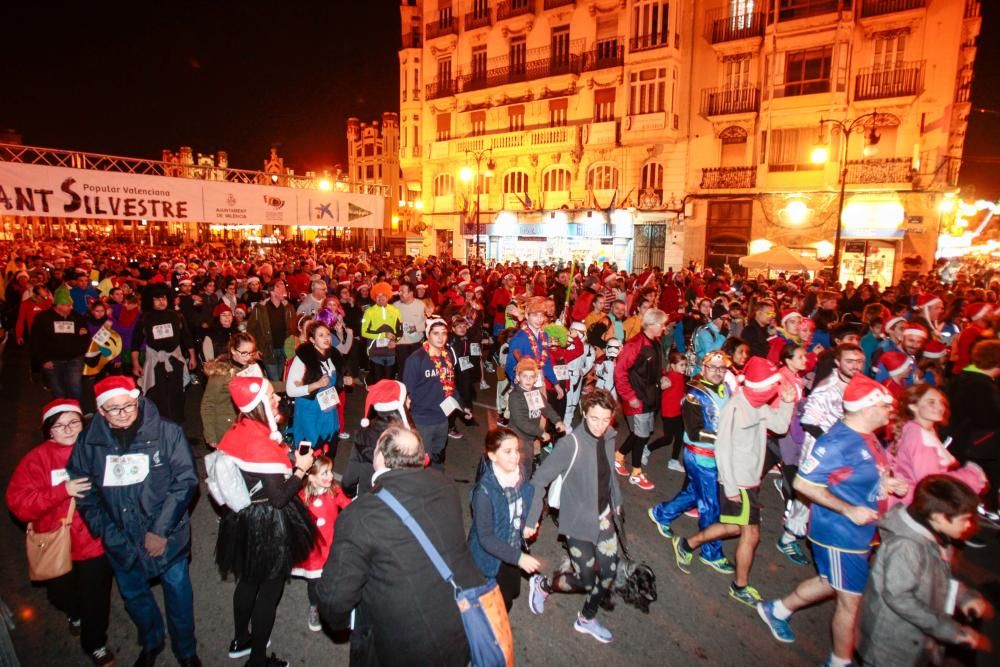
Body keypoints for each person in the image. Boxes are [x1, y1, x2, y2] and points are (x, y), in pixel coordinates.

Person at [756, 374, 908, 667]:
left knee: (830, 583)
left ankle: (777, 610)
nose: (890, 412)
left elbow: (859, 475)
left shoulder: (868, 436)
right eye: (885, 406)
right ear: (867, 408)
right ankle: (840, 661)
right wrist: (847, 510)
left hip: (861, 532)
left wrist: (887, 485)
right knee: (850, 602)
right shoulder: (837, 442)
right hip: (840, 533)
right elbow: (803, 483)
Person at [315, 425, 484, 666]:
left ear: (380, 457)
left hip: (399, 648)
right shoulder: (444, 485)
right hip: (460, 626)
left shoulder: (361, 514)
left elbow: (334, 602)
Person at [67, 376, 201, 667]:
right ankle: (152, 640)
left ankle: (186, 649)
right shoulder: (89, 443)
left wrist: (160, 530)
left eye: (129, 405)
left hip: (166, 537)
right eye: (114, 409)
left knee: (178, 593)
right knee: (135, 596)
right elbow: (85, 495)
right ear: (101, 411)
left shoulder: (167, 432)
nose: (124, 412)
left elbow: (185, 481)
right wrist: (111, 536)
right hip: (120, 539)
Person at [671, 357, 796, 607]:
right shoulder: (736, 408)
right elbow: (722, 449)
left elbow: (781, 426)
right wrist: (730, 487)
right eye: (773, 386)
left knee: (735, 529)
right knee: (751, 534)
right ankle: (740, 586)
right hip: (738, 481)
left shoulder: (757, 404)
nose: (776, 389)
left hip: (750, 479)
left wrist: (787, 402)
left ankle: (687, 543)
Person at [214, 375, 316, 667]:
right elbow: (280, 498)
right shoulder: (261, 447)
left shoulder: (242, 426)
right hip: (265, 523)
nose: (277, 399)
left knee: (247, 581)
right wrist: (301, 469)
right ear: (257, 403)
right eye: (270, 396)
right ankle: (258, 659)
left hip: (242, 518)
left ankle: (240, 640)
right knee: (269, 591)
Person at [6, 399, 115, 666]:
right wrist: (61, 492)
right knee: (61, 593)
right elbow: (19, 505)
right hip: (57, 542)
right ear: (49, 431)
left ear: (83, 424)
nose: (67, 429)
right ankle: (73, 612)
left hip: (93, 541)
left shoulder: (97, 449)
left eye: (74, 422)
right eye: (59, 425)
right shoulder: (36, 460)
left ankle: (95, 642)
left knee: (96, 596)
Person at [858, 476, 993, 666]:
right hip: (890, 646)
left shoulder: (937, 537)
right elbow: (899, 598)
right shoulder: (906, 547)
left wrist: (963, 596)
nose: (969, 526)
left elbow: (937, 578)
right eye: (965, 520)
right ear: (938, 517)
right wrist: (949, 630)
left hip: (913, 641)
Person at [524, 389, 623, 644]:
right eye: (594, 419)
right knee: (587, 579)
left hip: (603, 516)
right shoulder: (571, 444)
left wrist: (617, 504)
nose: (600, 425)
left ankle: (586, 619)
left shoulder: (609, 435)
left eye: (605, 419)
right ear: (584, 414)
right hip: (578, 521)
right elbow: (538, 481)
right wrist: (531, 518)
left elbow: (608, 473)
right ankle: (543, 586)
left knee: (609, 574)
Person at [647, 350, 733, 578]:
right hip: (700, 456)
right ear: (703, 368)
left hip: (715, 455)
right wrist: (726, 437)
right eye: (713, 368)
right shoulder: (695, 394)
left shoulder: (726, 389)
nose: (718, 372)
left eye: (722, 368)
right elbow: (694, 432)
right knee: (710, 505)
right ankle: (711, 551)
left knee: (696, 493)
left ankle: (662, 513)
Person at [468, 427, 542, 611]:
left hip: (512, 549)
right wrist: (519, 558)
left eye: (516, 450)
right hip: (490, 559)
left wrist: (529, 523)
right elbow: (485, 537)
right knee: (493, 607)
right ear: (492, 455)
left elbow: (531, 495)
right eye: (507, 452)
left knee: (509, 595)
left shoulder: (521, 472)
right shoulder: (484, 492)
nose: (515, 456)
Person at [889, 384, 986, 509]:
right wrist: (972, 475)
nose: (939, 407)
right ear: (913, 406)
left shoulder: (919, 429)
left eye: (941, 402)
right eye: (931, 402)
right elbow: (930, 486)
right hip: (914, 506)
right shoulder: (920, 438)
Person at [292, 455, 351, 632]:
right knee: (315, 583)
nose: (331, 476)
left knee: (335, 577)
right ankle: (315, 607)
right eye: (324, 473)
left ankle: (338, 608)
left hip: (333, 545)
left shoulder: (334, 491)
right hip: (313, 550)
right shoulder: (301, 498)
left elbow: (348, 506)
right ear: (311, 477)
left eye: (331, 471)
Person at [402, 317, 471, 468]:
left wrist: (463, 406)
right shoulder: (416, 359)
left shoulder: (447, 357)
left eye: (444, 333)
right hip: (422, 420)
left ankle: (437, 484)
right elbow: (407, 392)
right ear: (428, 335)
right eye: (436, 333)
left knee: (439, 457)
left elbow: (451, 386)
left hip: (442, 418)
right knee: (422, 461)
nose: (440, 338)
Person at [613, 308, 669, 491]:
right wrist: (629, 397)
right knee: (642, 435)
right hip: (638, 399)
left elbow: (654, 367)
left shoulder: (655, 342)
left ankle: (619, 456)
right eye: (661, 324)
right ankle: (636, 473)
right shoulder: (634, 345)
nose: (664, 328)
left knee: (639, 433)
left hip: (650, 397)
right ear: (652, 325)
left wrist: (662, 376)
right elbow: (619, 372)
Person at [945, 339, 1000, 519]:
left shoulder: (963, 377)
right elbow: (987, 419)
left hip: (963, 443)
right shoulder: (981, 385)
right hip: (977, 446)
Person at [132, 282, 197, 424]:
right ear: (151, 301)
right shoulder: (145, 318)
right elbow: (135, 343)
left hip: (175, 360)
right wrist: (136, 363)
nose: (161, 302)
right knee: (157, 394)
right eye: (157, 299)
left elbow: (187, 337)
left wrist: (192, 357)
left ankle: (178, 425)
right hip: (155, 361)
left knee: (177, 393)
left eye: (163, 298)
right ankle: (160, 425)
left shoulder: (176, 316)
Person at [286, 321, 342, 454]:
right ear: (312, 339)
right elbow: (290, 390)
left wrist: (343, 380)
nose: (326, 338)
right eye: (321, 335)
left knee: (329, 451)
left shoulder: (333, 356)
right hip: (309, 413)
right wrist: (316, 384)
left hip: (329, 411)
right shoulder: (303, 358)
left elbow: (335, 381)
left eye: (328, 334)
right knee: (310, 453)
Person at [508, 358, 567, 473]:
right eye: (525, 376)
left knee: (527, 464)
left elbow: (546, 408)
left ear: (536, 379)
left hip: (529, 437)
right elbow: (521, 422)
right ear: (518, 377)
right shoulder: (515, 396)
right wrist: (541, 432)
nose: (528, 380)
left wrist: (557, 421)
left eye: (531, 377)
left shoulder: (535, 392)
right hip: (519, 438)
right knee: (522, 467)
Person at [30, 287, 89, 400]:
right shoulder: (43, 318)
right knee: (58, 389)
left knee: (75, 387)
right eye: (68, 305)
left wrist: (83, 336)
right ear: (58, 306)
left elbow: (85, 336)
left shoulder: (77, 317)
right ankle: (61, 412)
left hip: (75, 359)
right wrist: (43, 359)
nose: (71, 307)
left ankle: (75, 411)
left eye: (71, 305)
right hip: (52, 360)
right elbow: (35, 341)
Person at [246, 279, 297, 380]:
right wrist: (256, 349)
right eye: (279, 286)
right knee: (275, 379)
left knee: (284, 378)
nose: (284, 289)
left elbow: (294, 329)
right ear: (272, 291)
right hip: (268, 351)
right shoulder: (260, 309)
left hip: (285, 350)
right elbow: (251, 330)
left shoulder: (289, 308)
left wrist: (292, 349)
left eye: (284, 286)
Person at [360, 281, 402, 384]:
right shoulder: (369, 311)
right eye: (378, 296)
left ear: (388, 296)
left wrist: (395, 341)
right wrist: (382, 335)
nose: (380, 298)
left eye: (383, 295)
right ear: (374, 297)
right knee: (378, 382)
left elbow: (400, 331)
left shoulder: (395, 310)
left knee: (390, 381)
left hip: (390, 351)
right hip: (375, 352)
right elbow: (363, 332)